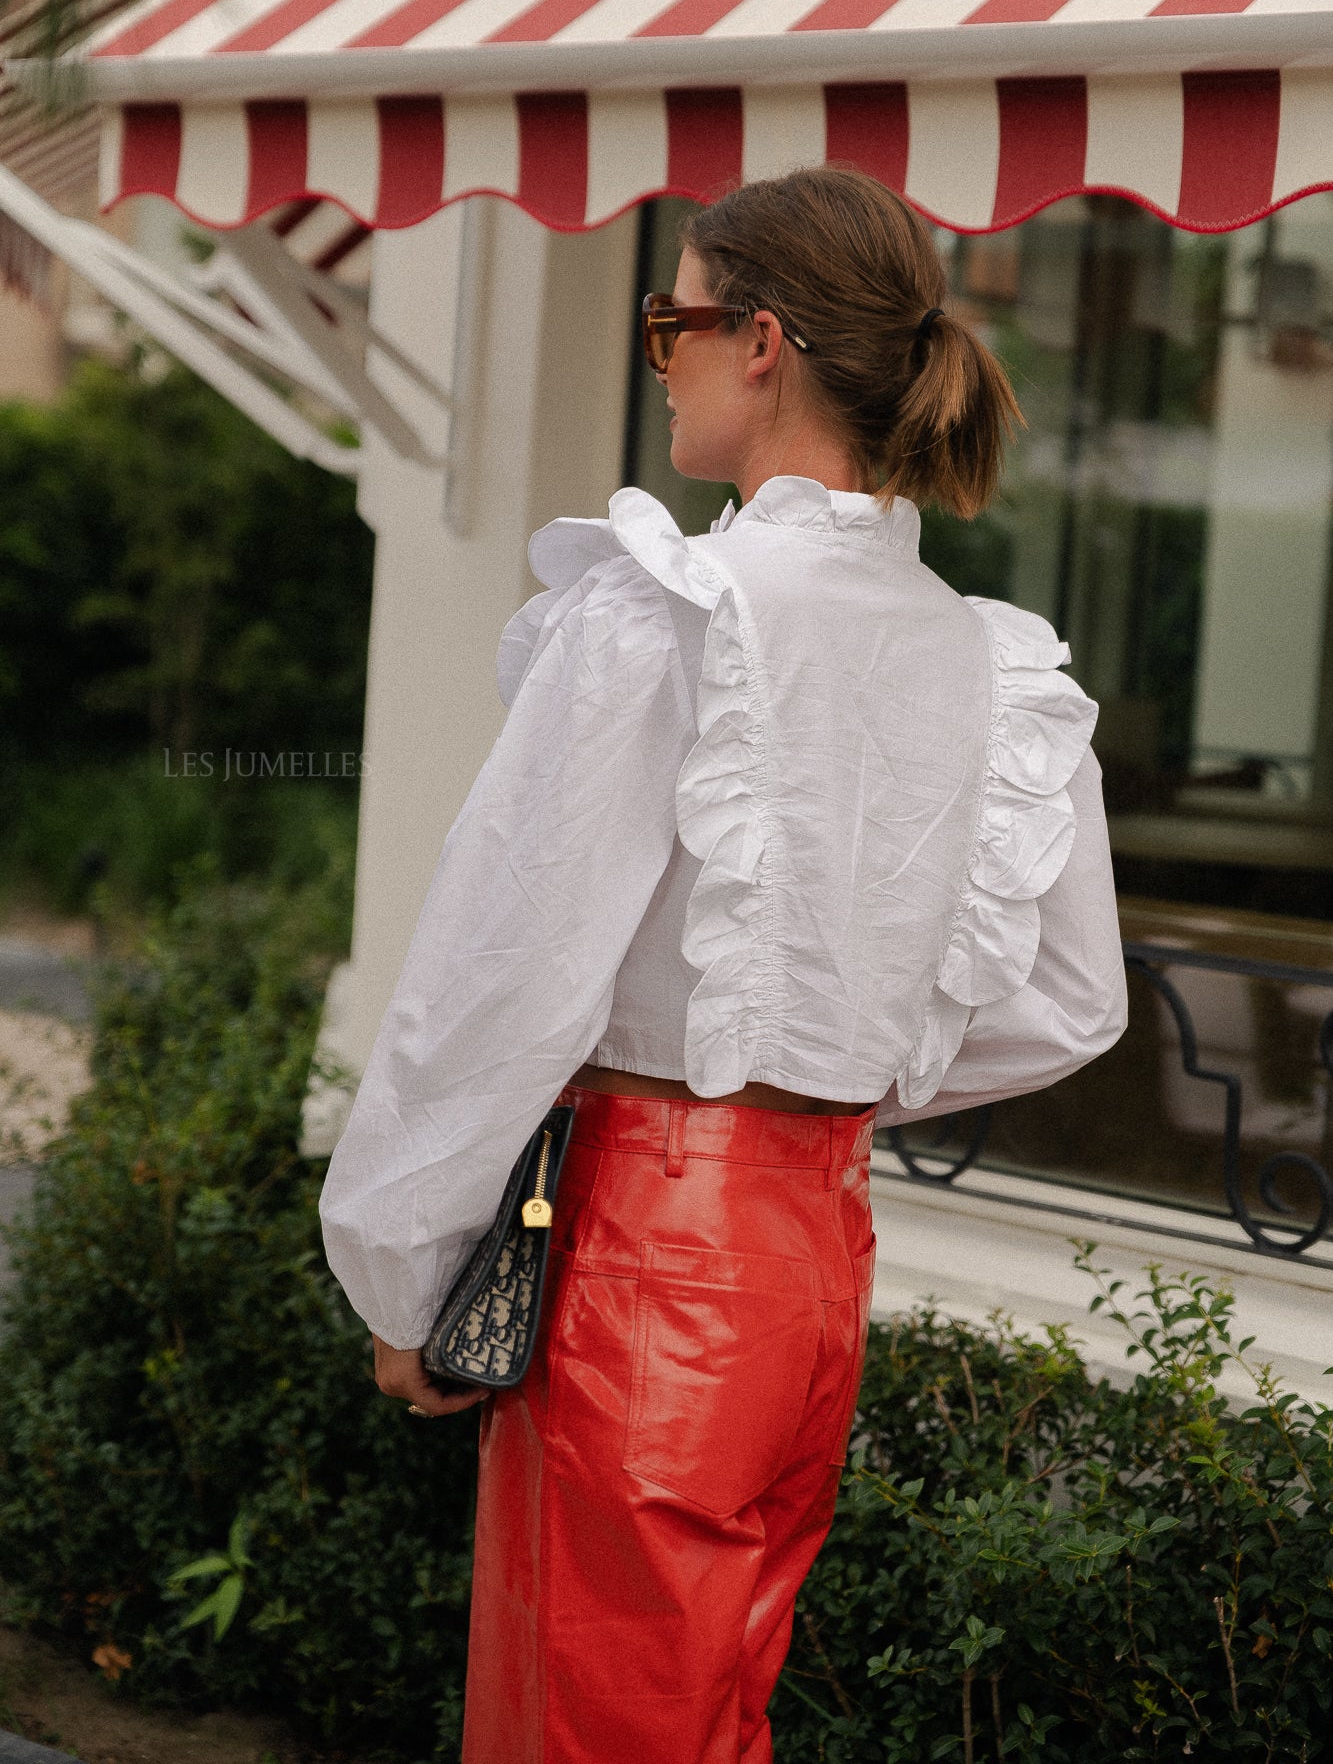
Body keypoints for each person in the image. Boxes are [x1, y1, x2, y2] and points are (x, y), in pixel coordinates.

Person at [319, 167, 1127, 1764]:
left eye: (667, 320)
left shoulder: (669, 613)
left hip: (639, 1246)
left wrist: (402, 1263)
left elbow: (501, 965)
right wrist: (823, 1066)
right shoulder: (986, 660)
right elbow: (1067, 999)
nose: (658, 355)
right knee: (701, 1714)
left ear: (758, 340)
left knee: (591, 1726)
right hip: (811, 1245)